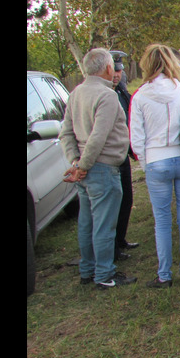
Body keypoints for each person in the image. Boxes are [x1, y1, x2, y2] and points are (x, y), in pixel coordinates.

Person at [60, 48, 137, 289]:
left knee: (87, 223)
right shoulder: (106, 96)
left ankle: (88, 270)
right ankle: (104, 274)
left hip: (85, 169)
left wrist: (75, 162)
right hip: (101, 169)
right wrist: (81, 165)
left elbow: (66, 133)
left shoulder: (76, 94)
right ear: (106, 68)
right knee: (104, 225)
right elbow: (98, 136)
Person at [129, 44, 180, 287]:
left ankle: (164, 275)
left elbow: (136, 137)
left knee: (161, 220)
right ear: (171, 63)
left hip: (156, 159)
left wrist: (145, 162)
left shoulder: (139, 96)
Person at [112, 60, 139, 260]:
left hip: (122, 154)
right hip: (111, 157)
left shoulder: (121, 92)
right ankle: (112, 248)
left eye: (119, 70)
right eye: (113, 70)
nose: (116, 74)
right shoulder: (106, 95)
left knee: (126, 199)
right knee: (114, 201)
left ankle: (120, 239)